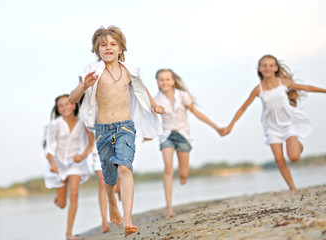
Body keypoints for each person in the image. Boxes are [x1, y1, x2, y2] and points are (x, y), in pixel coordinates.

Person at [69, 25, 165, 236]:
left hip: (125, 127)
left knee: (125, 168)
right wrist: (84, 87)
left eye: (113, 44)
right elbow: (72, 99)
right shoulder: (90, 71)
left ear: (121, 48)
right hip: (103, 129)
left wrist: (154, 105)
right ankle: (111, 199)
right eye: (103, 45)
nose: (108, 48)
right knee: (109, 177)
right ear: (97, 50)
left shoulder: (130, 70)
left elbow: (141, 88)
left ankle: (128, 219)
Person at [219, 54, 326, 194]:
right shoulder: (258, 89)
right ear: (259, 68)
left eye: (271, 65)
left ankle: (298, 144)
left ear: (276, 68)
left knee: (293, 158)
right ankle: (292, 188)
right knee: (279, 160)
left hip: (288, 123)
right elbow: (243, 108)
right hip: (272, 127)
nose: (267, 68)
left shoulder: (283, 82)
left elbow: (306, 87)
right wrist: (230, 125)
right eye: (264, 65)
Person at [152, 69, 220, 219]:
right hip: (167, 136)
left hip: (183, 136)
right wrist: (148, 136)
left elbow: (197, 113)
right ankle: (169, 208)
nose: (165, 82)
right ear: (158, 82)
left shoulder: (183, 96)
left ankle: (183, 176)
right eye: (161, 80)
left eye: (167, 79)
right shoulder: (156, 99)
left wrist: (216, 127)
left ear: (173, 81)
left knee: (183, 175)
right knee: (168, 169)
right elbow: (151, 120)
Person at [44, 94, 94, 240]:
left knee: (74, 194)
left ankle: (68, 233)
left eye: (67, 104)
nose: (65, 107)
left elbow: (90, 145)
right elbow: (49, 150)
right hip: (58, 164)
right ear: (58, 110)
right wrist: (52, 165)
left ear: (74, 105)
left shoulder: (83, 123)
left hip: (75, 164)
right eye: (61, 106)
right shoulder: (54, 125)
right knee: (62, 204)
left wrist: (82, 155)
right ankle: (58, 198)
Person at [87, 139, 110, 233]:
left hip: (114, 144)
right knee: (102, 182)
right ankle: (104, 220)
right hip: (97, 149)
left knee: (114, 184)